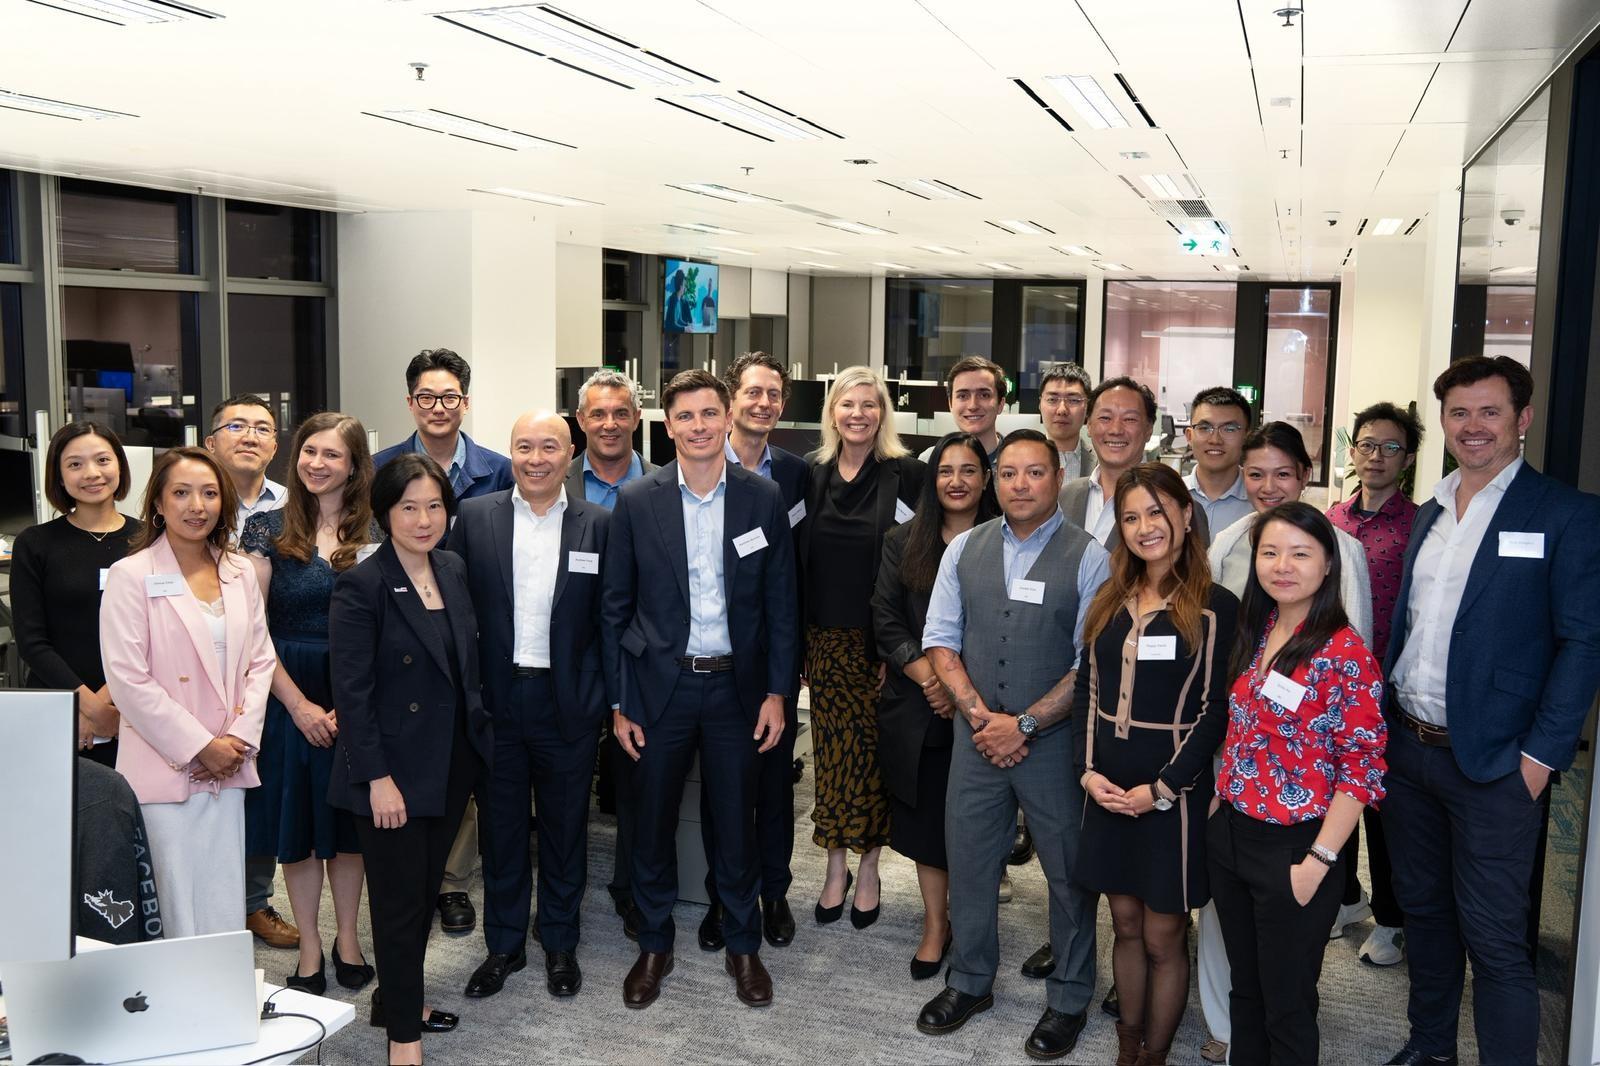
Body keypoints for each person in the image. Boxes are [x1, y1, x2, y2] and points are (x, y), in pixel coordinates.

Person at [1381, 357, 1600, 1066]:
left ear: (1522, 419)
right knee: (1427, 916)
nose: (1473, 427)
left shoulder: (1565, 514)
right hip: (1409, 750)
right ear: (1443, 423)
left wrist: (1540, 758)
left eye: (1490, 412)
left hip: (1498, 763)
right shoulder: (1431, 509)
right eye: (1459, 414)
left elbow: (1584, 641)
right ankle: (1431, 1048)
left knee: (1496, 938)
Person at [600, 369, 797, 1010]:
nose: (699, 426)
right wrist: (619, 700)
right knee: (652, 825)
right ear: (669, 425)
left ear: (727, 417)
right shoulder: (638, 499)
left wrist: (777, 693)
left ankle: (744, 946)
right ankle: (654, 944)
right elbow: (615, 609)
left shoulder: (761, 496)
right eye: (685, 417)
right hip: (661, 690)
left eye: (710, 413)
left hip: (738, 690)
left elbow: (781, 605)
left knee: (736, 826)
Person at [917, 428, 1111, 1061]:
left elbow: (1092, 664)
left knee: (1066, 872)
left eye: (1034, 473)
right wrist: (981, 718)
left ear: (1059, 479)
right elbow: (941, 641)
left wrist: (1023, 724)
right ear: (994, 481)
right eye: (1008, 474)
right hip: (975, 739)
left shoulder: (1090, 555)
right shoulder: (963, 549)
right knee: (969, 863)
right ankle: (971, 980)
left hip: (1053, 745)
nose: (1020, 485)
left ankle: (1070, 995)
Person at [1197, 420, 1374, 1062]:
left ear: (1328, 562)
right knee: (1248, 993)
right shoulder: (1258, 628)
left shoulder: (1344, 652)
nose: (1282, 566)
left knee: (1288, 1002)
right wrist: (1220, 801)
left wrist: (1321, 862)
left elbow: (1362, 772)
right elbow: (1238, 724)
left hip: (1298, 847)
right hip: (1234, 832)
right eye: (1271, 553)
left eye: (1301, 554)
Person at [327, 454, 491, 1066]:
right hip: (390, 772)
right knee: (397, 903)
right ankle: (404, 1041)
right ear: (384, 513)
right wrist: (377, 778)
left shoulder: (451, 567)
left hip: (451, 763)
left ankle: (399, 1000)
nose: (424, 520)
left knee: (422, 894)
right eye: (408, 507)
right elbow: (354, 692)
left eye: (434, 507)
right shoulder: (362, 583)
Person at [1071, 463, 1237, 1066]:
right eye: (1132, 516)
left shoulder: (1216, 606)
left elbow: (1216, 713)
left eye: (1158, 512)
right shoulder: (1110, 599)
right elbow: (1087, 688)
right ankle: (1126, 1043)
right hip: (1107, 783)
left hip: (1173, 788)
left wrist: (1162, 789)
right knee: (1126, 925)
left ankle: (1155, 1054)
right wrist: (1088, 772)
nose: (1147, 527)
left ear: (1186, 516)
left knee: (1166, 934)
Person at [450, 413, 610, 1002]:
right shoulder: (473, 518)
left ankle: (561, 943)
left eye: (549, 447)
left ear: (572, 454)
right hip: (497, 700)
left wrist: (599, 695)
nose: (536, 458)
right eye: (524, 446)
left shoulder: (599, 524)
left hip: (567, 701)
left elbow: (606, 621)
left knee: (568, 829)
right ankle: (504, 945)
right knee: (503, 827)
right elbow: (456, 612)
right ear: (509, 453)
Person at [99, 447, 276, 938]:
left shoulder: (239, 572)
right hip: (166, 763)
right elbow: (127, 678)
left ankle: (220, 996)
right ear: (157, 502)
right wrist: (200, 747)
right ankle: (175, 1005)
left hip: (231, 760)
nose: (196, 505)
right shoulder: (130, 575)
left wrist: (237, 741)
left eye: (209, 493)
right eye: (181, 492)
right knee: (172, 897)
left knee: (223, 890)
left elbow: (261, 660)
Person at [241, 412, 381, 996]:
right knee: (297, 832)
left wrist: (356, 704)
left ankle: (348, 939)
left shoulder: (378, 529)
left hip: (359, 691)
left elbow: (390, 625)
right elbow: (253, 632)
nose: (318, 464)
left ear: (354, 465)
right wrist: (298, 706)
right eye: (308, 452)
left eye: (332, 455)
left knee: (348, 829)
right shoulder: (265, 530)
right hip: (285, 692)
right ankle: (309, 947)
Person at [373, 348, 510, 938]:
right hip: (401, 633)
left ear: (466, 402)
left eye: (450, 396)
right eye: (426, 397)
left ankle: (452, 883)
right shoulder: (380, 466)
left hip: (469, 629)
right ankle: (410, 886)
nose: (438, 407)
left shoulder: (497, 469)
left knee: (460, 756)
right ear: (410, 403)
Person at [800, 366, 925, 929]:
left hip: (885, 644)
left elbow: (919, 571)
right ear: (833, 413)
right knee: (831, 757)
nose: (858, 415)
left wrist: (896, 649)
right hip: (824, 641)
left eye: (869, 405)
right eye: (847, 405)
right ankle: (833, 865)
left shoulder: (908, 476)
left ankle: (869, 866)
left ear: (883, 413)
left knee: (873, 760)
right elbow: (795, 561)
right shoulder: (811, 475)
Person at [872, 432, 999, 980]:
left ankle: (973, 925)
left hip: (989, 706)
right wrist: (932, 678)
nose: (956, 481)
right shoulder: (904, 541)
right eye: (946, 470)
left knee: (977, 824)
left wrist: (962, 691)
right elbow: (885, 618)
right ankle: (935, 923)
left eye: (969, 470)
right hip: (922, 706)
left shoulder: (1006, 540)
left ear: (985, 479)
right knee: (927, 824)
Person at [698, 352, 808, 954]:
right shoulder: (692, 465)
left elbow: (794, 577)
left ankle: (774, 891)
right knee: (721, 789)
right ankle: (723, 896)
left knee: (772, 784)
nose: (762, 403)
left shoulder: (795, 475)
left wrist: (788, 670)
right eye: (752, 393)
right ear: (731, 401)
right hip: (712, 662)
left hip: (770, 662)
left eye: (773, 395)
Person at [1324, 401, 1422, 967]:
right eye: (1366, 444)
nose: (1375, 456)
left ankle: (1392, 918)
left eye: (1390, 447)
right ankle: (1347, 897)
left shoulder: (1420, 523)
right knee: (1335, 794)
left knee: (1382, 808)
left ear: (1407, 458)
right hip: (1333, 684)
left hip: (1387, 688)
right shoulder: (1333, 518)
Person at [565, 368, 657, 939]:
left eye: (621, 412)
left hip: (641, 653)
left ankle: (630, 887)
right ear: (581, 422)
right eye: (597, 413)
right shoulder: (555, 480)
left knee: (637, 780)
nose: (609, 423)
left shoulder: (666, 484)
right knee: (569, 781)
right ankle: (563, 895)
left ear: (637, 420)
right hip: (571, 653)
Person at [205, 394, 297, 951]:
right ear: (211, 439)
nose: (250, 435)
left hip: (265, 664)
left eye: (263, 428)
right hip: (195, 667)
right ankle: (201, 901)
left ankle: (254, 901)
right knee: (198, 783)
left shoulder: (293, 507)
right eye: (236, 425)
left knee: (258, 784)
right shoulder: (187, 496)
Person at [10, 421, 141, 768]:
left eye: (102, 460)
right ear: (59, 475)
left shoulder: (149, 539)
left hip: (134, 707)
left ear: (119, 465)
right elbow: (32, 643)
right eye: (75, 464)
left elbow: (157, 634)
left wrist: (108, 705)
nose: (91, 473)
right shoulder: (35, 543)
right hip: (55, 706)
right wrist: (90, 707)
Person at [1062, 377, 1211, 549]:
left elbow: (1193, 573)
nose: (1116, 430)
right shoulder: (1065, 497)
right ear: (1088, 425)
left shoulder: (1182, 506)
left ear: (1149, 429)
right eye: (1105, 418)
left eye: (1130, 419)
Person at [1182, 386, 1255, 536]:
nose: (1215, 440)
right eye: (1204, 428)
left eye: (1229, 429)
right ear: (1189, 436)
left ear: (1247, 437)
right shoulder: (1169, 495)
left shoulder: (1259, 501)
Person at [919, 355, 1006, 465]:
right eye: (963, 396)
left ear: (1001, 404)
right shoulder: (930, 460)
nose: (973, 406)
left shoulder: (1020, 462)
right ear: (950, 404)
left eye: (984, 395)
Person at [1039, 363, 1096, 478]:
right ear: (1040, 404)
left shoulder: (1102, 463)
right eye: (1052, 399)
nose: (1062, 410)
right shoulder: (1020, 460)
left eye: (1073, 400)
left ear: (1088, 407)